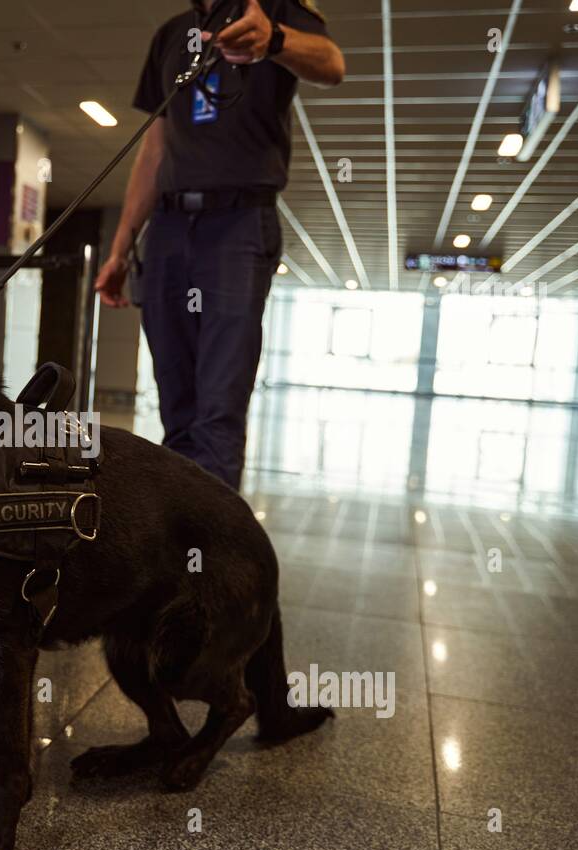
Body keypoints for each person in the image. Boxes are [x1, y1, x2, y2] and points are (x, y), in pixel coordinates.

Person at [96, 0, 345, 489]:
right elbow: (155, 146)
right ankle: (178, 538)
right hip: (167, 227)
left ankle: (210, 554)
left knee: (219, 406)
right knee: (176, 402)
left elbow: (332, 65)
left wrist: (273, 39)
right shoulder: (171, 33)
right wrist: (120, 248)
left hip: (238, 222)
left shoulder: (274, 10)